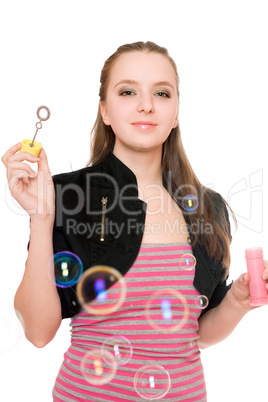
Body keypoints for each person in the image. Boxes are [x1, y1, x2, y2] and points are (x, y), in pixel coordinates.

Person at [2, 41, 268, 402]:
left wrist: (237, 301)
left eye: (161, 93)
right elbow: (37, 331)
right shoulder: (64, 196)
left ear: (175, 114)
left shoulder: (209, 209)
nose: (146, 104)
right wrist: (41, 218)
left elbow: (196, 334)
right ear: (105, 111)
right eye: (128, 91)